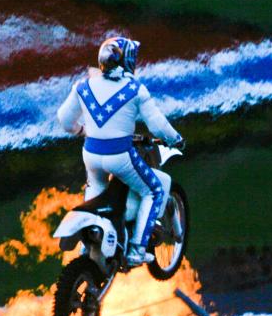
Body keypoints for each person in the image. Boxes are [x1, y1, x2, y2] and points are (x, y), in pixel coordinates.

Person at [57, 36, 183, 266]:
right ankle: (136, 249)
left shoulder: (83, 85)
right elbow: (157, 125)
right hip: (121, 157)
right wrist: (175, 139)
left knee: (96, 190)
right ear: (125, 61)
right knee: (153, 191)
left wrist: (81, 131)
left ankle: (90, 247)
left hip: (91, 155)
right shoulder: (135, 89)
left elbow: (64, 120)